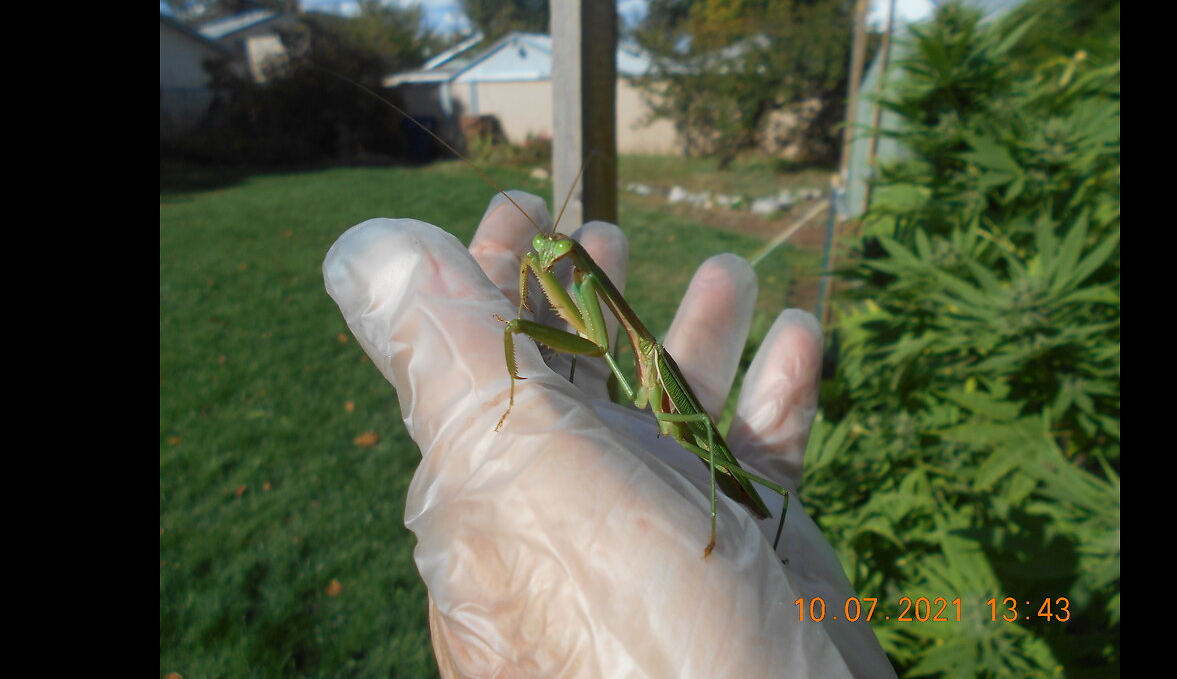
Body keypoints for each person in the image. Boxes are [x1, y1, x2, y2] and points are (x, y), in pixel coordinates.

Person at [323, 192, 898, 679]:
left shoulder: (626, 335)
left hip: (692, 433)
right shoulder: (582, 294)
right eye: (548, 258)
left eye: (560, 256)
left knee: (711, 443)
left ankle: (725, 518)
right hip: (658, 402)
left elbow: (602, 349)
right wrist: (531, 274)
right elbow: (595, 341)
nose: (548, 260)